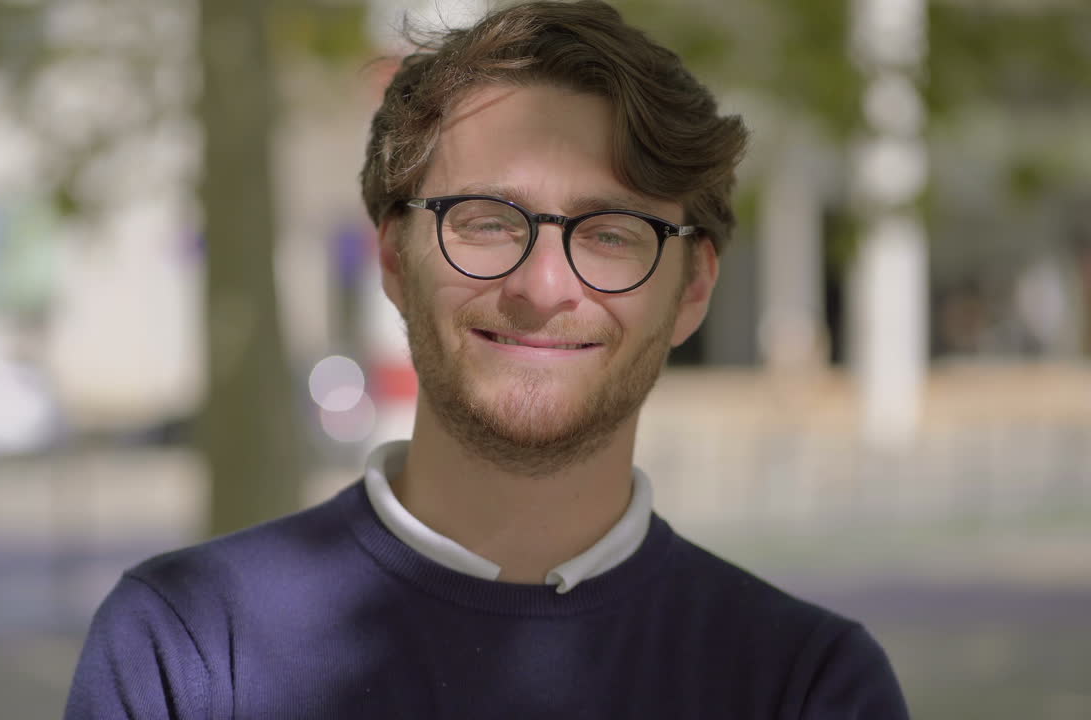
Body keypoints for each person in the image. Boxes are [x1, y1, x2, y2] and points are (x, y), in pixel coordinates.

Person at [64, 2, 909, 717]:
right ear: (395, 258)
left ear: (691, 291)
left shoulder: (807, 689)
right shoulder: (186, 650)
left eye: (613, 234)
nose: (543, 287)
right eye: (487, 221)